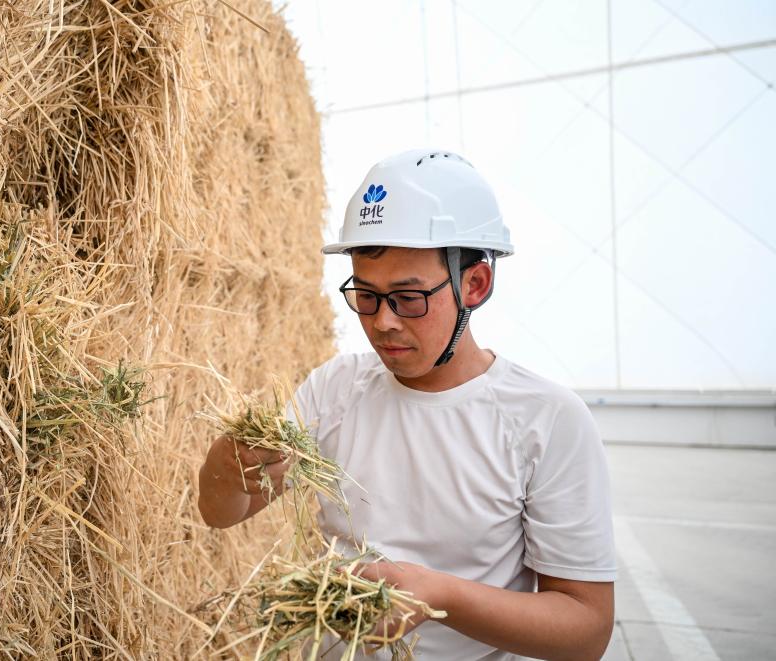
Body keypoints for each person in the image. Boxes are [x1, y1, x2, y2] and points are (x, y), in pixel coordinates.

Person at [197, 149, 616, 660]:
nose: (383, 322)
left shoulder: (546, 419)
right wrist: (226, 465)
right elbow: (224, 513)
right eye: (366, 295)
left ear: (474, 284)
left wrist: (441, 596)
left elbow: (586, 630)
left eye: (409, 297)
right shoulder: (335, 388)